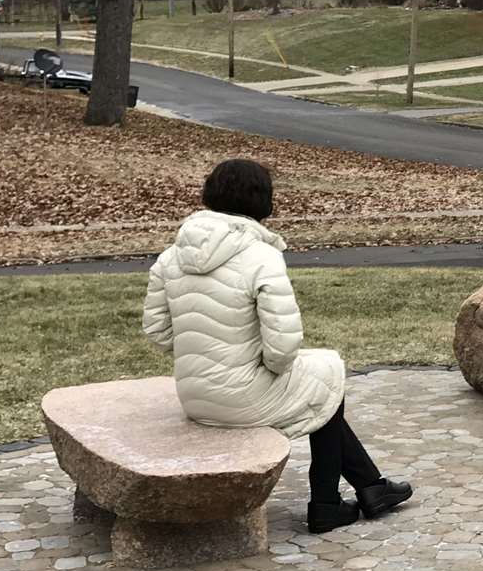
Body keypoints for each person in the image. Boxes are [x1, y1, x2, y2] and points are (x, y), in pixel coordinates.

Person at [142, 158, 411, 533]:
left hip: (194, 395)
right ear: (263, 201)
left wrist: (204, 353)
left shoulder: (171, 257)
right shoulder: (261, 256)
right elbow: (282, 347)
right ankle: (327, 504)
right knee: (328, 372)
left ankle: (371, 487)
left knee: (320, 382)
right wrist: (260, 367)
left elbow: (156, 330)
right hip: (241, 395)